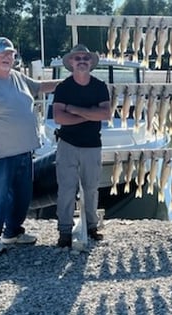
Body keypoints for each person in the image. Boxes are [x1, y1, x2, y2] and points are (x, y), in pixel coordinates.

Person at [0, 37, 60, 253]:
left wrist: (71, 81)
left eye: (11, 54)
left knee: (22, 197)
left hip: (24, 153)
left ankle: (13, 232)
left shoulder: (17, 77)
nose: (7, 57)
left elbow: (41, 87)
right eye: (2, 53)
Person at [52, 44, 110, 248]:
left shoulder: (100, 86)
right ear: (71, 62)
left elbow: (105, 114)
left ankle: (92, 227)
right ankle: (64, 231)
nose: (82, 60)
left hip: (92, 146)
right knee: (66, 190)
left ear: (91, 62)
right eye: (78, 58)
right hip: (67, 145)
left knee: (92, 188)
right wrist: (88, 114)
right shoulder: (63, 87)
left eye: (86, 57)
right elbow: (59, 117)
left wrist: (74, 110)